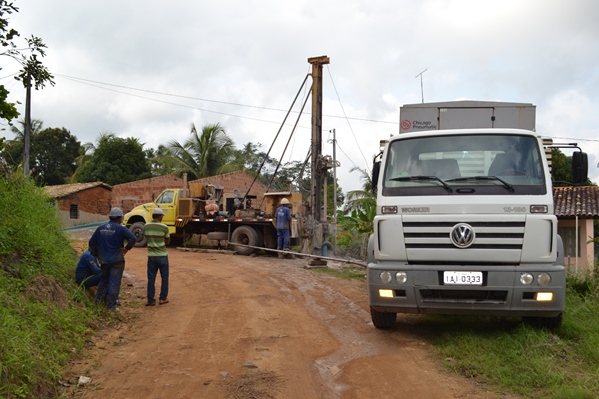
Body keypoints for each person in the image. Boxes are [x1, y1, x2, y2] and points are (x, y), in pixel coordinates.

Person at [89, 207, 137, 312]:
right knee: (114, 282)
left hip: (104, 260)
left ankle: (98, 304)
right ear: (119, 218)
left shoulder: (100, 228)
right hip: (117, 260)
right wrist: (126, 248)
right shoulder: (121, 228)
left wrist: (96, 254)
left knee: (103, 281)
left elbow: (92, 243)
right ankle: (111, 306)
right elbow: (133, 238)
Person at [143, 208, 171, 306]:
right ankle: (162, 298)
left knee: (151, 278)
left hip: (151, 256)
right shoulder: (164, 227)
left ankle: (151, 300)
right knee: (164, 278)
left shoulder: (146, 226)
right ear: (160, 217)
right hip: (162, 255)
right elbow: (168, 241)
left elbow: (146, 237)